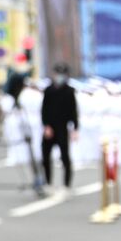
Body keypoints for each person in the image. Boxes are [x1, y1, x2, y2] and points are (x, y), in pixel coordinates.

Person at [41, 63, 79, 192]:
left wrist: (75, 129)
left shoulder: (69, 91)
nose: (59, 77)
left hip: (63, 127)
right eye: (58, 74)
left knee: (65, 157)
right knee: (45, 156)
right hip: (50, 127)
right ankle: (48, 182)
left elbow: (73, 112)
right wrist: (46, 126)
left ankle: (66, 184)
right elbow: (44, 110)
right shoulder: (49, 90)